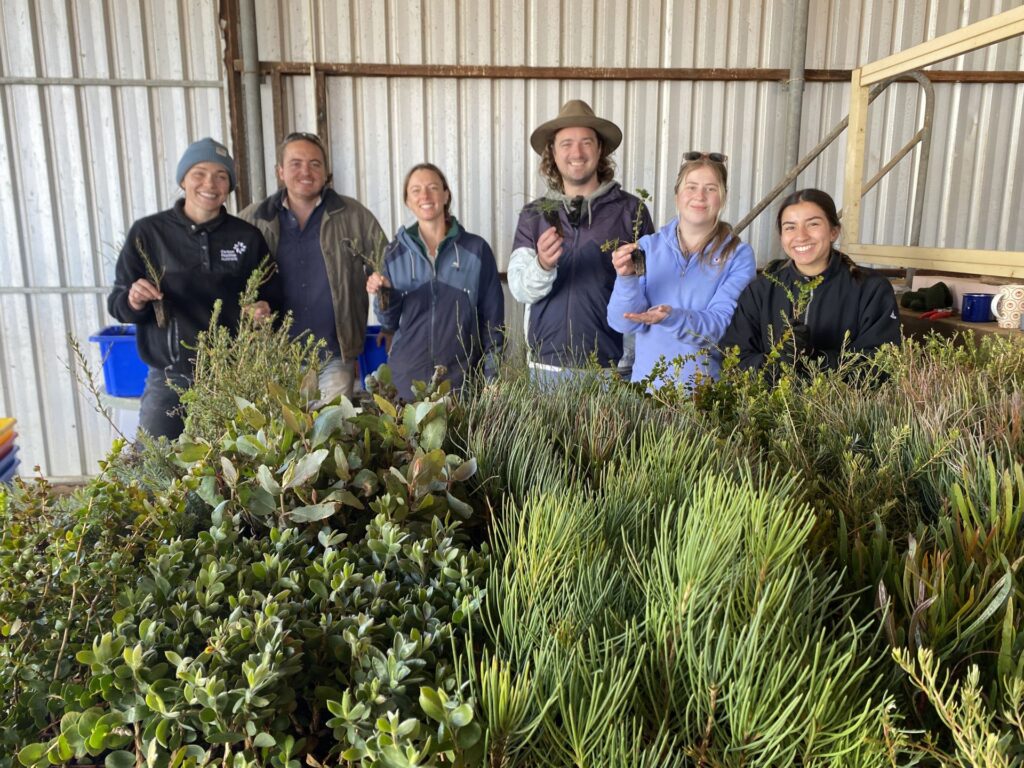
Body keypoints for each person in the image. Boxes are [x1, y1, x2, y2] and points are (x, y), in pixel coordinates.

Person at [108, 137, 278, 439]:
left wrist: (264, 310)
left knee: (231, 471)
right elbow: (118, 304)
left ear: (229, 186)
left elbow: (273, 295)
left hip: (232, 376)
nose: (209, 183)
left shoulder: (247, 237)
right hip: (169, 377)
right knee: (156, 465)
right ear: (183, 179)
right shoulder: (149, 233)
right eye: (199, 173)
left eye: (221, 175)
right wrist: (134, 299)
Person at [508, 99, 653, 381]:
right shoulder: (534, 214)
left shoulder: (632, 211)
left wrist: (632, 271)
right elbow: (519, 289)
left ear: (600, 150)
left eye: (586, 142)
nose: (577, 152)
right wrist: (542, 265)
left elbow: (650, 284)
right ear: (552, 151)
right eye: (566, 143)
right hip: (545, 369)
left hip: (613, 370)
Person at [240, 131, 387, 402]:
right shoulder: (253, 219)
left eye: (315, 164)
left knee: (332, 436)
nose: (306, 171)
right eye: (296, 163)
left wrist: (389, 322)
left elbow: (387, 269)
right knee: (279, 440)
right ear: (280, 171)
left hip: (334, 357)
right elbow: (227, 280)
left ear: (326, 171)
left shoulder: (355, 217)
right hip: (273, 357)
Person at [607, 152, 755, 388]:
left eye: (711, 189)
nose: (700, 196)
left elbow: (720, 327)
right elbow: (622, 323)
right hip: (646, 395)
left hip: (706, 398)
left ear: (722, 198)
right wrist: (626, 279)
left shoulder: (738, 255)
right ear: (677, 196)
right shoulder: (647, 246)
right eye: (691, 187)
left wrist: (671, 317)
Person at [720, 188, 901, 373]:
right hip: (772, 402)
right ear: (782, 237)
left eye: (813, 224)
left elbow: (881, 364)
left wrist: (814, 359)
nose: (801, 236)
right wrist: (773, 366)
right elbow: (735, 358)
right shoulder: (761, 291)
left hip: (842, 402)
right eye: (790, 227)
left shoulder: (871, 289)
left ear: (834, 231)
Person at [366, 163, 504, 399]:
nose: (425, 196)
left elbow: (493, 323)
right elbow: (388, 322)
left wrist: (492, 378)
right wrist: (383, 293)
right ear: (408, 201)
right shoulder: (393, 253)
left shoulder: (475, 250)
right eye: (416, 190)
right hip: (405, 382)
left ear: (446, 194)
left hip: (461, 382)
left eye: (432, 187)